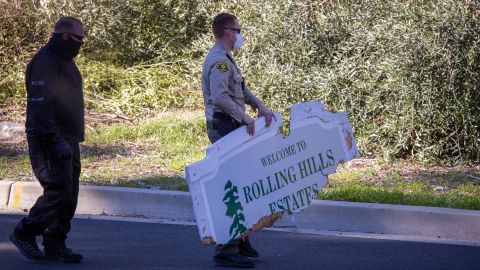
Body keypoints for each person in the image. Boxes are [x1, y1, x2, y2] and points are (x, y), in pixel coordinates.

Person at [201, 13, 275, 268]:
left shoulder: (227, 60)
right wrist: (245, 118)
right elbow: (220, 98)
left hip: (232, 124)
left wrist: (261, 108)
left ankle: (241, 238)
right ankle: (226, 248)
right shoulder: (219, 62)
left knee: (244, 182)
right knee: (231, 187)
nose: (241, 34)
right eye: (238, 29)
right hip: (224, 126)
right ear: (228, 32)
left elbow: (240, 90)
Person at [9, 16, 85, 263]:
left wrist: (70, 139)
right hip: (50, 139)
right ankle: (25, 232)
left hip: (68, 138)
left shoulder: (65, 61)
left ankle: (55, 242)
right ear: (65, 36)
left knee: (70, 192)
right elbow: (40, 108)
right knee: (58, 189)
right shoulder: (46, 62)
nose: (80, 44)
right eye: (78, 39)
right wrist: (56, 140)